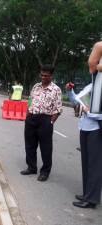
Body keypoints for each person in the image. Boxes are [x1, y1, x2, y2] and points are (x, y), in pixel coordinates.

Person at [64, 41, 102, 209]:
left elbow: (91, 111)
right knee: (86, 163)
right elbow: (76, 102)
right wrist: (69, 91)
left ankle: (92, 199)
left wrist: (89, 112)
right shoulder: (92, 84)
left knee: (95, 165)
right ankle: (87, 193)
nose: (92, 64)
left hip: (96, 129)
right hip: (85, 128)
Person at [20, 64, 62, 181]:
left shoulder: (56, 90)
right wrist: (27, 116)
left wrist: (50, 122)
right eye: (41, 75)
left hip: (45, 120)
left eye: (46, 75)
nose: (43, 77)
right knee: (30, 145)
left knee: (46, 148)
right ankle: (31, 167)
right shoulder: (36, 86)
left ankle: (45, 172)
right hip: (31, 118)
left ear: (51, 76)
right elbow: (30, 101)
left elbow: (58, 110)